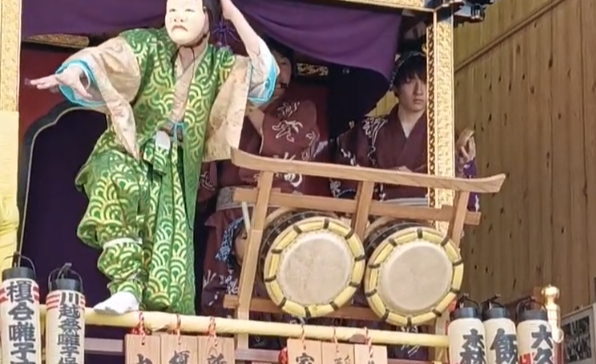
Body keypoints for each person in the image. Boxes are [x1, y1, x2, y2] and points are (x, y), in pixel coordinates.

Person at [31, 0, 278, 316]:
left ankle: (162, 329)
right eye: (171, 8)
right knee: (111, 176)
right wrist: (77, 70)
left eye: (189, 9)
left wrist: (231, 10)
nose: (177, 16)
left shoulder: (220, 64)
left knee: (168, 267)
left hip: (176, 168)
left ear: (208, 18)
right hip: (133, 149)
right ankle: (126, 286)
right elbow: (108, 57)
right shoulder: (148, 45)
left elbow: (264, 76)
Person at [199, 42, 329, 317]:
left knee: (283, 296)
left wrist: (246, 106)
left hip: (279, 215)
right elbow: (208, 155)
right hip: (230, 214)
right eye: (270, 60)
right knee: (224, 298)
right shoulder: (226, 107)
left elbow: (286, 143)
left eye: (284, 63)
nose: (278, 70)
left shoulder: (302, 109)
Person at [330, 50, 477, 202]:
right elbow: (346, 177)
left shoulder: (445, 134)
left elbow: (461, 194)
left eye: (425, 82)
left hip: (432, 213)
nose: (419, 91)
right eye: (409, 81)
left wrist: (460, 168)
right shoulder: (368, 130)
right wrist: (384, 178)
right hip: (378, 213)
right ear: (395, 87)